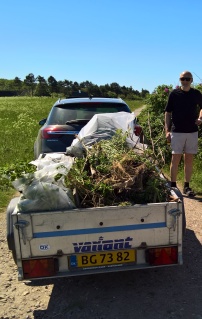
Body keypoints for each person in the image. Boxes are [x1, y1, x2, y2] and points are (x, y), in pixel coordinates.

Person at [165, 70, 202, 197]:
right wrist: (167, 131)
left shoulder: (196, 94)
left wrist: (200, 118)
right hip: (177, 131)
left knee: (189, 159)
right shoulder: (174, 94)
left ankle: (187, 186)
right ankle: (173, 186)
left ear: (191, 80)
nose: (185, 81)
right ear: (180, 80)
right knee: (175, 158)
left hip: (192, 131)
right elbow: (168, 113)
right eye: (182, 78)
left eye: (187, 79)